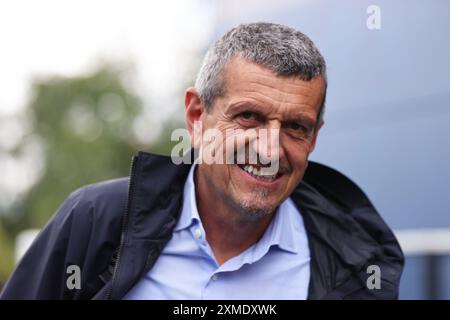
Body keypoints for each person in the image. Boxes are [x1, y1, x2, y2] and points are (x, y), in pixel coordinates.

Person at [0, 22, 403, 300]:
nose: (268, 150)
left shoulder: (357, 261)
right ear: (196, 116)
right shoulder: (95, 223)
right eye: (248, 117)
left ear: (314, 136)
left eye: (296, 126)